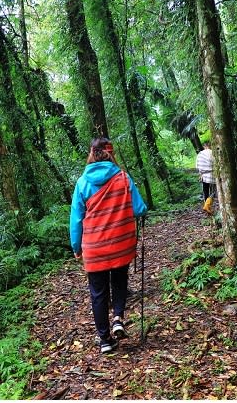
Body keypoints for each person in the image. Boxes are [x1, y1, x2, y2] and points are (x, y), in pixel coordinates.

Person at [69, 137, 148, 354]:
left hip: (94, 249)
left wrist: (76, 247)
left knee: (98, 292)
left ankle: (105, 340)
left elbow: (76, 219)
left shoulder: (82, 183)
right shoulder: (123, 177)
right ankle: (118, 318)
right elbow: (139, 209)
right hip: (120, 245)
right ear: (111, 154)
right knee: (119, 281)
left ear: (91, 154)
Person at [196, 141, 215, 214]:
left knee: (205, 191)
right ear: (210, 145)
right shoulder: (213, 153)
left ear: (204, 146)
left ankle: (207, 206)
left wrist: (200, 174)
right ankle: (207, 206)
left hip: (204, 176)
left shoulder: (200, 154)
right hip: (212, 175)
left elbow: (198, 166)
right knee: (213, 192)